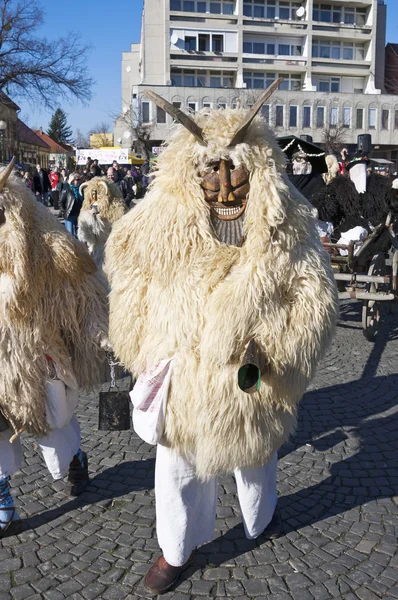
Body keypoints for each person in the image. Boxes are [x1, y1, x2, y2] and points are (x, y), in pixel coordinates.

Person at [105, 87, 339, 594]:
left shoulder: (288, 222)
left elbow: (314, 298)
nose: (226, 186)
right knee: (178, 466)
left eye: (237, 170)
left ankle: (260, 517)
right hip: (184, 374)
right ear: (192, 174)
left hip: (251, 376)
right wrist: (144, 346)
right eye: (213, 170)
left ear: (258, 169)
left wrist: (276, 348)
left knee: (256, 458)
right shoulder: (159, 221)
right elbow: (129, 277)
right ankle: (175, 549)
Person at [0, 158, 108, 539]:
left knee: (52, 424)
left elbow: (86, 289)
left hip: (36, 357)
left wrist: (100, 333)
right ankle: (3, 500)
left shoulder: (46, 244)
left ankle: (75, 457)